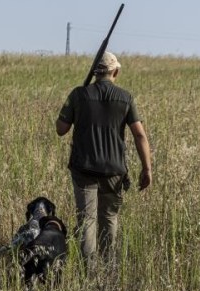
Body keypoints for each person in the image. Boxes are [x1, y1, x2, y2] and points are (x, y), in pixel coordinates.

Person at [55, 51, 152, 270]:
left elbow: (61, 129)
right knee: (109, 219)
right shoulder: (125, 98)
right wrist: (147, 169)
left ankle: (89, 272)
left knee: (87, 220)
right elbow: (140, 135)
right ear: (115, 71)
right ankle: (109, 269)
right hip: (114, 172)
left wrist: (74, 105)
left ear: (94, 73)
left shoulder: (78, 95)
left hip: (84, 170)